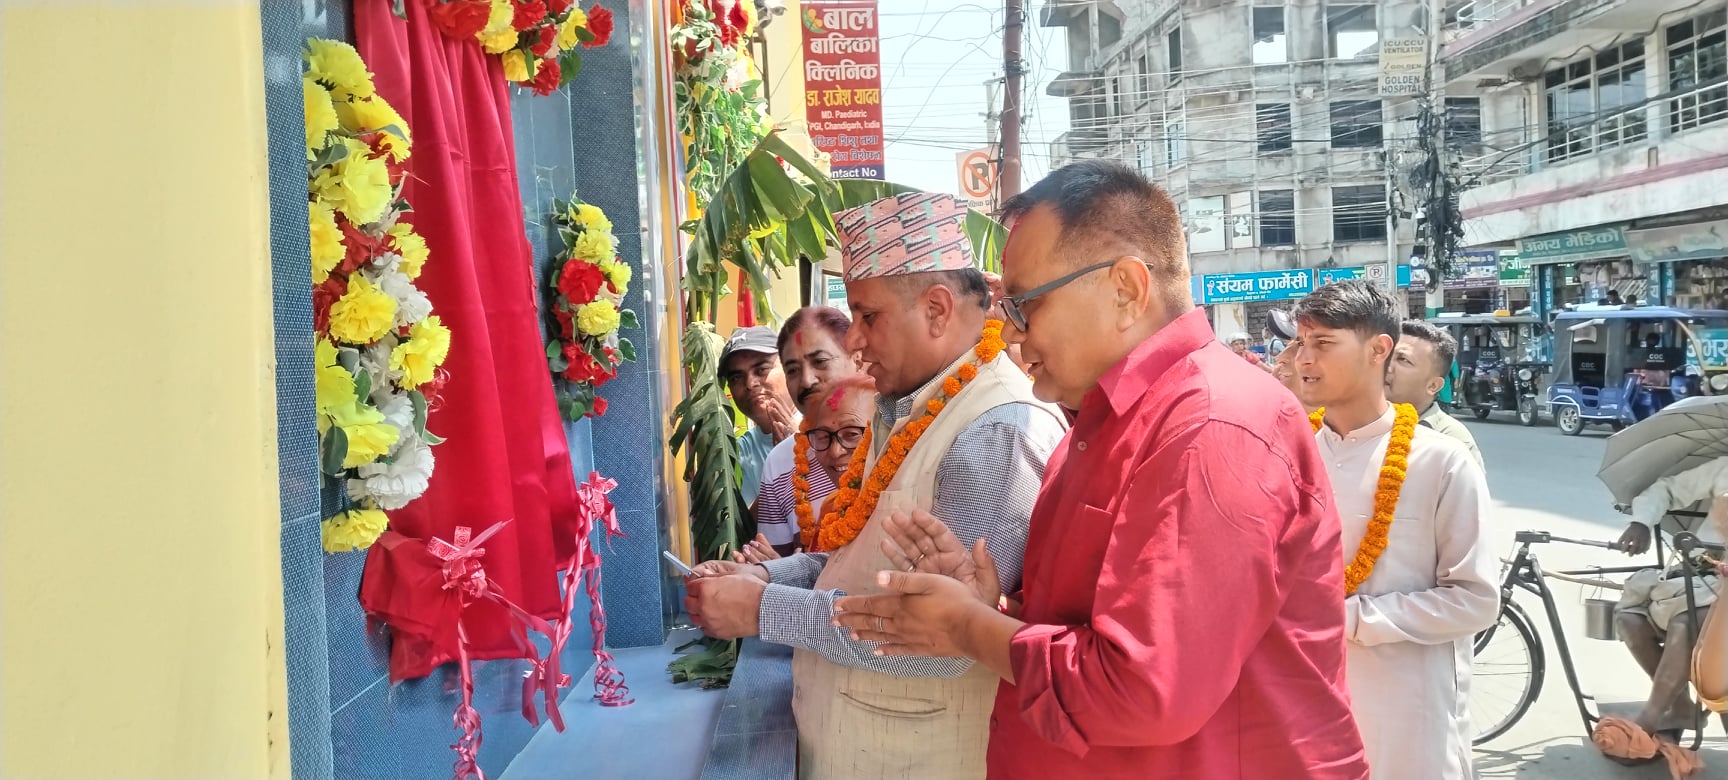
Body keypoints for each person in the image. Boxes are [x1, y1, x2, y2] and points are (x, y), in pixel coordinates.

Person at [831, 160, 1369, 778]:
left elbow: (1144, 689)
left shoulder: (1212, 426)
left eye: (1027, 306)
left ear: (1125, 289)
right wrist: (995, 608)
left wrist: (966, 626)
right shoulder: (1104, 420)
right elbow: (1089, 626)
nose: (1013, 336)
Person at [685, 191, 1067, 780]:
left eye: (868, 316)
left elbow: (936, 638)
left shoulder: (998, 430)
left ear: (937, 310)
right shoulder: (905, 408)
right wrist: (763, 575)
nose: (854, 340)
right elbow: (852, 562)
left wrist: (762, 609)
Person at [1292, 280, 1499, 779]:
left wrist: (1351, 620)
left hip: (1410, 713)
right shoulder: (1293, 453)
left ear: (1378, 349)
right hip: (1307, 699)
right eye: (1301, 343)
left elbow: (1475, 598)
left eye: (1322, 344)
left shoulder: (1440, 461)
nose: (1303, 359)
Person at [1599, 455, 1728, 768]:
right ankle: (1682, 706)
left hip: (1718, 593)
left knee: (1687, 621)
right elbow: (1666, 489)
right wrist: (1641, 522)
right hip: (1697, 576)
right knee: (1630, 618)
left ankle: (1649, 718)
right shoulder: (1724, 468)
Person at [749, 307, 866, 556]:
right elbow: (775, 564)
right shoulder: (780, 464)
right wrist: (775, 572)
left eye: (820, 362)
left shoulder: (896, 437)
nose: (806, 380)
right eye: (792, 370)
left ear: (857, 359)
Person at [1385, 320, 1484, 469]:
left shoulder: (1451, 440)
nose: (1386, 366)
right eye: (1385, 354)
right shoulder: (1353, 422)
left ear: (1433, 385)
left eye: (1403, 360)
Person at [719, 325, 798, 507]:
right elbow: (748, 528)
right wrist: (781, 469)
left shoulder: (826, 425)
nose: (750, 383)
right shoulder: (740, 454)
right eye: (736, 378)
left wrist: (806, 450)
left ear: (788, 367)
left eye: (761, 370)